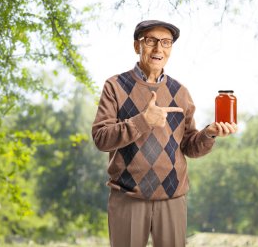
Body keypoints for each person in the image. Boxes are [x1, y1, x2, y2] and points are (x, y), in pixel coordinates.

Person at [92, 20, 238, 247]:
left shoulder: (180, 92)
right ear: (136, 46)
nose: (158, 48)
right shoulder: (115, 86)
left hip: (172, 197)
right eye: (150, 41)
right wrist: (142, 121)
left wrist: (209, 133)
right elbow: (101, 139)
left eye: (166, 42)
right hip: (128, 196)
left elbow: (190, 146)